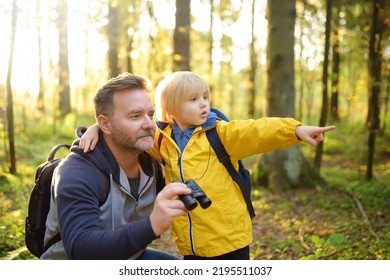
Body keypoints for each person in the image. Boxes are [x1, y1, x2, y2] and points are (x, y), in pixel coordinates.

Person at [80, 71, 335, 260]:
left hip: (229, 240)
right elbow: (128, 133)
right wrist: (95, 129)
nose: (203, 103)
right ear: (170, 109)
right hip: (191, 245)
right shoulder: (160, 140)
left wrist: (296, 129)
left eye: (205, 97)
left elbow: (257, 131)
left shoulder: (220, 134)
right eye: (193, 99)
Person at [41, 72, 191, 260]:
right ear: (105, 124)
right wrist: (151, 225)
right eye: (135, 116)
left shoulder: (151, 162)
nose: (149, 125)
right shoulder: (78, 172)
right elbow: (80, 249)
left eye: (150, 114)